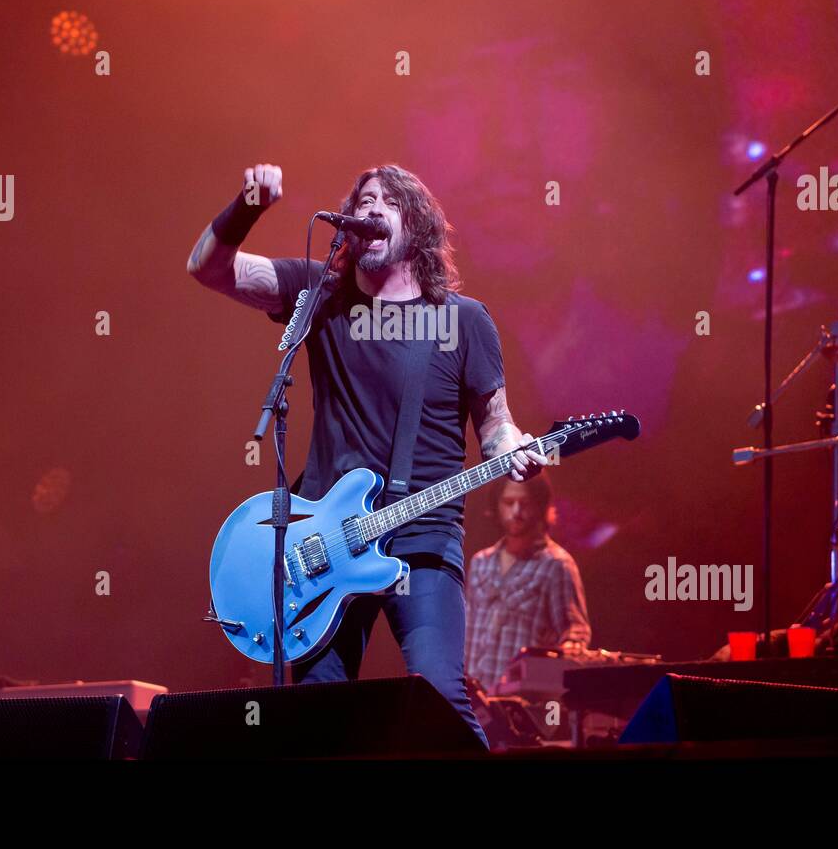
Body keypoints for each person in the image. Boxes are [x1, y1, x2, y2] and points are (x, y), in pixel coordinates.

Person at [188, 162, 548, 746]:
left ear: (418, 225)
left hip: (422, 537)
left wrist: (514, 449)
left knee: (438, 694)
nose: (372, 207)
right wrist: (247, 204)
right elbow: (208, 268)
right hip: (323, 547)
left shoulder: (463, 320)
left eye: (390, 201)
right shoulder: (321, 298)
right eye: (364, 200)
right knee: (321, 717)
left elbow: (497, 423)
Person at [465, 473, 591, 692]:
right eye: (508, 503)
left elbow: (575, 632)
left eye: (524, 504)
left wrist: (566, 650)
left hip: (523, 703)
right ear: (496, 506)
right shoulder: (480, 562)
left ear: (541, 506)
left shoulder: (556, 564)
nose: (516, 512)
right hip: (474, 700)